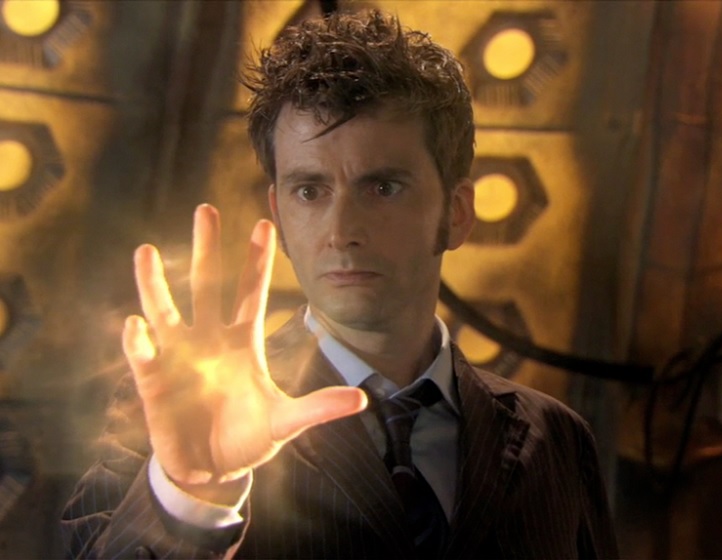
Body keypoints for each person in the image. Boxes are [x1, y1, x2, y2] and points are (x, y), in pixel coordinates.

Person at [62, 10, 618, 559]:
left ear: (457, 212)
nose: (342, 231)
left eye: (383, 188)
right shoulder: (181, 411)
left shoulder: (558, 440)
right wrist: (195, 499)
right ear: (278, 214)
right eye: (310, 191)